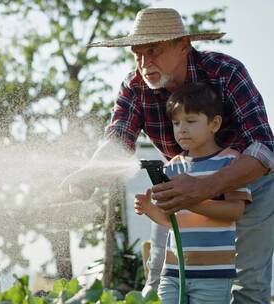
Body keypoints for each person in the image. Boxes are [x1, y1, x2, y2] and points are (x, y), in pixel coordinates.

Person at [62, 7, 274, 303]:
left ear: (183, 46)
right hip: (179, 187)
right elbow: (117, 139)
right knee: (161, 282)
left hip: (248, 181)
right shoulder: (134, 87)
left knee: (248, 288)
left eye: (154, 50)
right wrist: (93, 172)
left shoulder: (226, 72)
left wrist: (205, 187)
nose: (144, 62)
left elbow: (263, 149)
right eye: (137, 53)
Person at [134, 82, 251, 303]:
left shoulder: (230, 162)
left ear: (214, 124)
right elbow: (171, 221)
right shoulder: (173, 167)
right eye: (176, 123)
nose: (181, 129)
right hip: (173, 272)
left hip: (213, 275)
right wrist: (149, 209)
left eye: (190, 121)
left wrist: (190, 201)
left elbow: (235, 211)